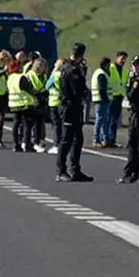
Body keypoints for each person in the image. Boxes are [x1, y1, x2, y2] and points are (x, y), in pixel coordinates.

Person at [56, 42, 93, 182]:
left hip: (75, 107)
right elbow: (78, 90)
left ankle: (75, 169)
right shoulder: (72, 69)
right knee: (67, 139)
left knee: (78, 139)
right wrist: (83, 75)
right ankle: (61, 170)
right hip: (69, 107)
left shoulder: (69, 67)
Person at [107, 51, 128, 146]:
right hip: (112, 96)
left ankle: (112, 139)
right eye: (122, 58)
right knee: (110, 119)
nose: (123, 61)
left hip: (120, 96)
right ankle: (108, 138)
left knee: (115, 119)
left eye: (125, 59)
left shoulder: (123, 71)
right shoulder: (111, 68)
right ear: (117, 58)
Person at [44, 58, 64, 154]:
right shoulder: (66, 74)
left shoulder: (55, 75)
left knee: (56, 125)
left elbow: (47, 86)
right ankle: (62, 143)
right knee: (62, 124)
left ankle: (56, 144)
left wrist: (53, 72)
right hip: (63, 103)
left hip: (54, 102)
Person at [90, 57, 112, 147]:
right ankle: (96, 139)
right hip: (101, 100)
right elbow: (102, 89)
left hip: (99, 99)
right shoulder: (101, 74)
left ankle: (105, 139)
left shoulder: (98, 73)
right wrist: (106, 99)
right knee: (100, 119)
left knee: (103, 120)